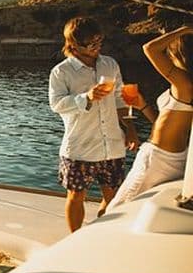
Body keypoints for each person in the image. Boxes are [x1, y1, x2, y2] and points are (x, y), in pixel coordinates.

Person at [49, 16, 138, 232]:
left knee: (114, 197)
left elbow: (119, 98)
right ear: (74, 45)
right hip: (81, 147)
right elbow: (57, 104)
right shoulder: (61, 72)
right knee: (76, 195)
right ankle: (75, 239)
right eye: (91, 44)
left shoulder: (110, 64)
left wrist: (130, 129)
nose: (97, 47)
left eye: (99, 41)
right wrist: (86, 97)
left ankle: (101, 234)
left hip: (112, 145)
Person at [107, 26, 193, 210]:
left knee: (117, 209)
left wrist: (183, 30)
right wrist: (144, 106)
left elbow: (150, 49)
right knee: (132, 208)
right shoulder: (185, 86)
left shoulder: (184, 83)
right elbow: (167, 124)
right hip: (173, 156)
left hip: (158, 159)